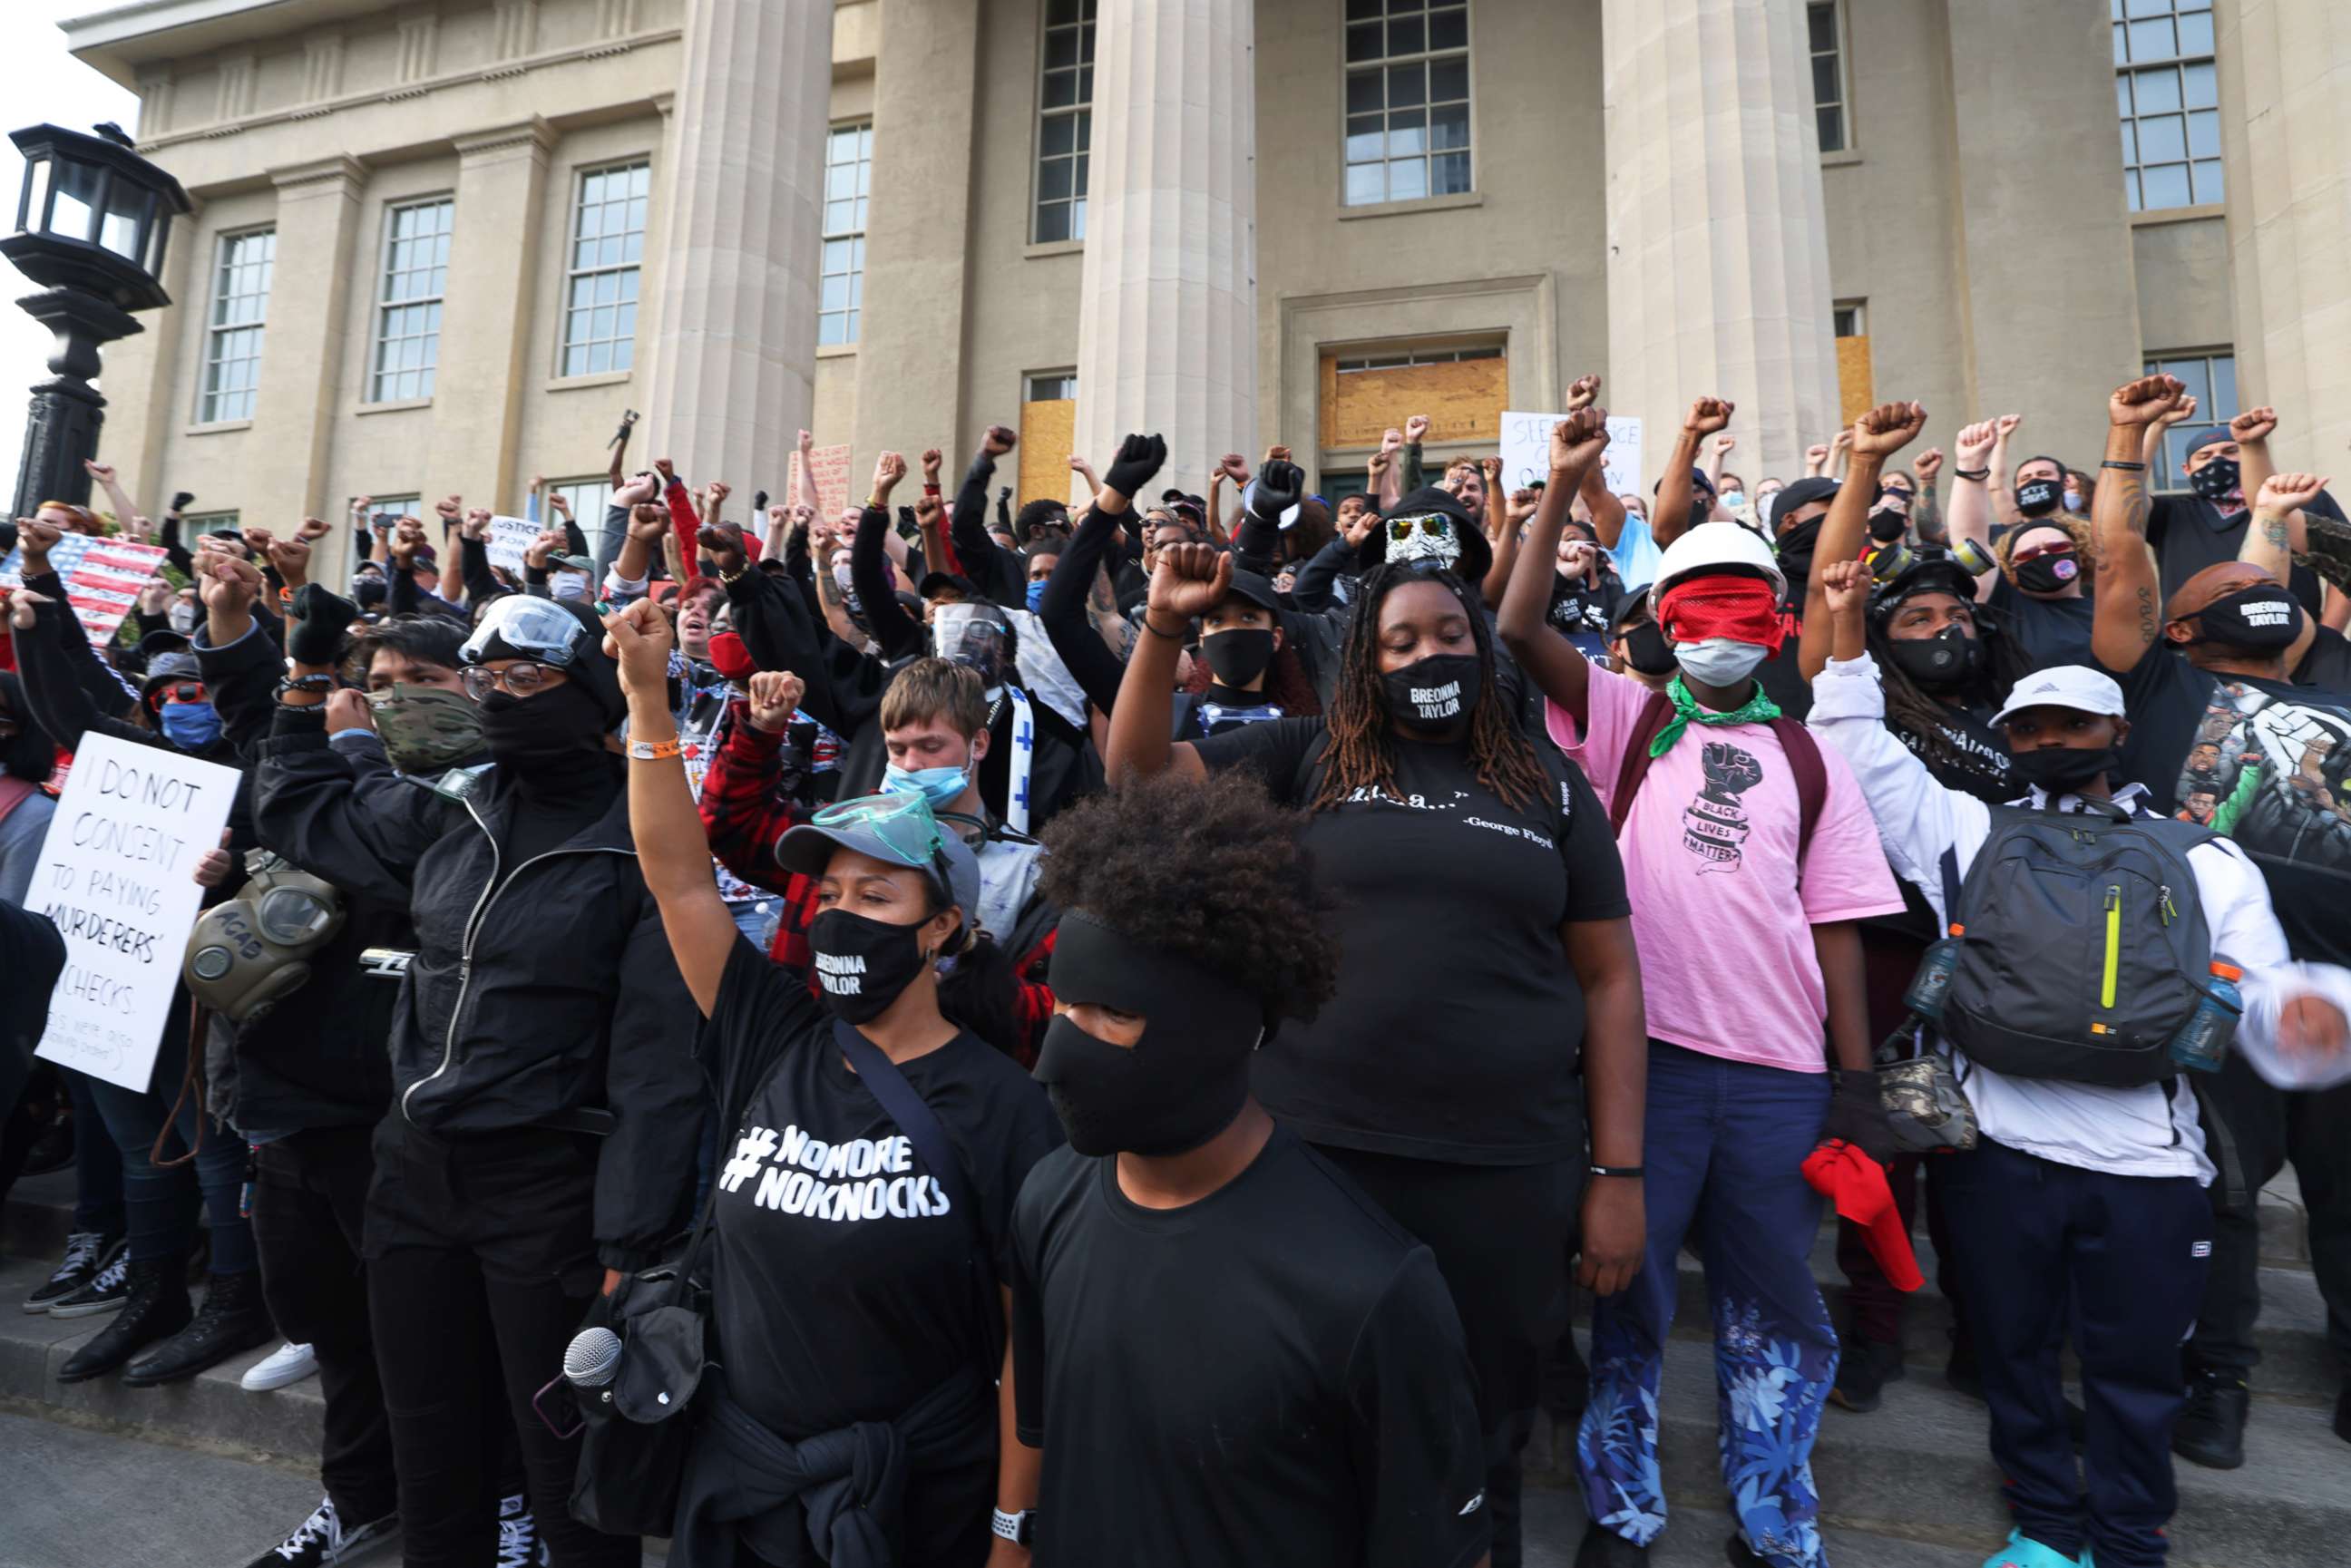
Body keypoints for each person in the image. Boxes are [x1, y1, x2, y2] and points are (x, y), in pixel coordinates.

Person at [1100, 425, 1648, 1567]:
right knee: (1293, 1418)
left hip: (1505, 1170)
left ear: (1481, 645)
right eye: (1399, 640)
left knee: (1475, 1436)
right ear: (1365, 657)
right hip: (1314, 1159)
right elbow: (1140, 775)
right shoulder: (1307, 756)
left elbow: (1609, 979)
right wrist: (1163, 625)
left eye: (1450, 632)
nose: (1428, 654)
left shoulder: (1545, 781)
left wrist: (1618, 1174)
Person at [1808, 558, 2351, 1568]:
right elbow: (1854, 747)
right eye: (2032, 727)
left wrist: (2312, 1013)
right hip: (2000, 1154)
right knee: (2014, 1360)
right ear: (2009, 739)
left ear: (2119, 734)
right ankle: (2047, 1531)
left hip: (2149, 1167)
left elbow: (2263, 986)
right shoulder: (1968, 829)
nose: (2051, 741)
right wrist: (1844, 635)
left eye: (2073, 725)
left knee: (2137, 1371)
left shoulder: (2205, 858)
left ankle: (2132, 1536)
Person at [1498, 412, 1905, 1568]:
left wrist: (1856, 1077)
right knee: (1627, 1302)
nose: (1720, 631)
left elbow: (1831, 923)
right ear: (1662, 627)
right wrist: (1561, 492)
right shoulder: (1621, 721)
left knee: (1775, 1306)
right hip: (1651, 1071)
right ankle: (1621, 1509)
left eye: (1744, 608)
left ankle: (1779, 1521)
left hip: (1779, 1079)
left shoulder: (1810, 755)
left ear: (1776, 625)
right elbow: (1519, 626)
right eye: (1696, 609)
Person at [606, 596, 1059, 1568]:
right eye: (836, 895)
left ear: (941, 927)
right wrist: (648, 698)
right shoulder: (772, 1031)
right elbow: (679, 877)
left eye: (878, 895)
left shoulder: (1006, 1106)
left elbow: (1035, 1352)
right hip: (742, 1494)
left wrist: (1012, 1537)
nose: (845, 916)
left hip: (915, 1505)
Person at [255, 589, 705, 1568]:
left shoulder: (641, 839)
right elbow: (301, 811)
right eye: (486, 678)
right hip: (412, 1179)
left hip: (550, 1196)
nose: (501, 698)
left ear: (587, 691)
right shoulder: (451, 810)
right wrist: (299, 684)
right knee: (433, 1459)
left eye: (529, 679)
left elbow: (660, 1066)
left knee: (567, 1483)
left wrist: (629, 1240)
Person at [1001, 768, 1492, 1568]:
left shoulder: (1371, 1290)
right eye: (1061, 1004)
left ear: (1220, 1027)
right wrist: (1009, 1539)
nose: (1058, 1056)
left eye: (1114, 1013)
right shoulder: (1047, 1199)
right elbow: (1040, 1425)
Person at [2080, 379, 2351, 1470]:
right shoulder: (2152, 681)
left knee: (2343, 1193)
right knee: (2227, 1196)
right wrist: (2124, 443)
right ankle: (2221, 1382)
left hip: (2340, 992)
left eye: (2269, 581)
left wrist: (2283, 525)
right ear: (2183, 623)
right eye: (2236, 579)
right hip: (2213, 988)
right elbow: (2117, 567)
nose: (2260, 589)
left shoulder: (2333, 694)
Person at [8, 531, 273, 1389]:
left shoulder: (250, 760)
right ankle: (154, 1291)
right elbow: (71, 702)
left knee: (209, 1144)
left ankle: (236, 1297)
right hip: (122, 989)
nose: (186, 702)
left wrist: (233, 871)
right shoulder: (149, 760)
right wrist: (37, 602)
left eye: (202, 688)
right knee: (134, 1141)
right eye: (170, 693)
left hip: (202, 995)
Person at [1947, 421, 2098, 669]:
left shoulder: (2110, 613)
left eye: (2057, 549)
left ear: (2081, 556)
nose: (2042, 554)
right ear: (2011, 569)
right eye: (2028, 554)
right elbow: (1968, 542)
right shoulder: (2006, 608)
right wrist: (1970, 465)